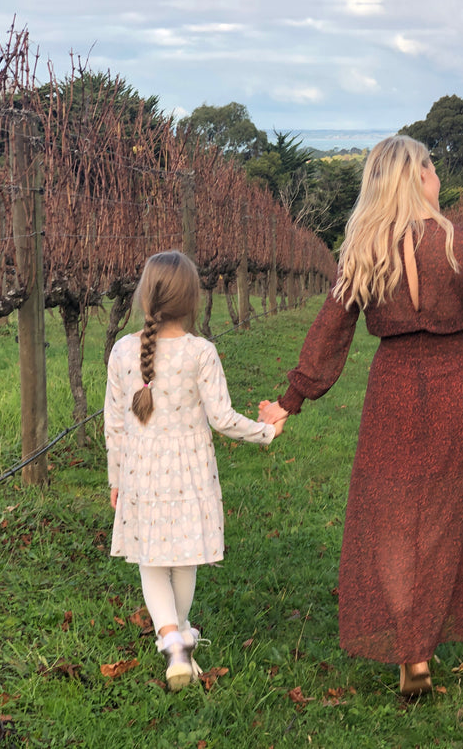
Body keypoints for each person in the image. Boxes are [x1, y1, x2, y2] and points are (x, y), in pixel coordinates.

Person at [259, 135, 463, 697]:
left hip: (391, 393)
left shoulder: (366, 247)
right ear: (416, 177)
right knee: (441, 521)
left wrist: (291, 400)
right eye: (432, 167)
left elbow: (330, 329)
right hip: (455, 390)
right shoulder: (462, 244)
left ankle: (409, 647)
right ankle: (421, 646)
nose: (437, 177)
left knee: (390, 521)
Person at [105, 250, 282, 691]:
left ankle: (174, 639)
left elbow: (113, 423)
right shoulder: (201, 352)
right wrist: (266, 432)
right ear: (193, 300)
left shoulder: (124, 350)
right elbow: (222, 419)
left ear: (145, 296)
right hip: (190, 473)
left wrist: (115, 477)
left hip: (141, 471)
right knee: (184, 556)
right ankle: (177, 636)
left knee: (151, 560)